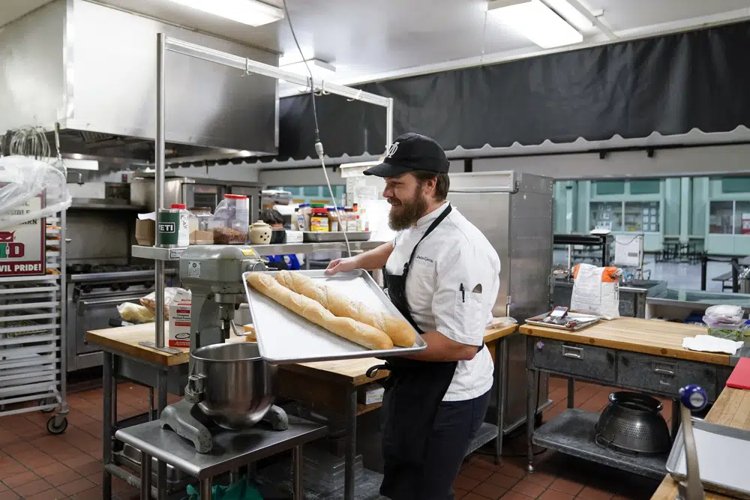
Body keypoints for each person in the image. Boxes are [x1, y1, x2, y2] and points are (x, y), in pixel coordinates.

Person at [326, 132, 501, 500]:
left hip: (449, 394)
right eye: (387, 184)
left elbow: (460, 345)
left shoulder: (462, 248)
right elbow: (396, 249)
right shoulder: (417, 224)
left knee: (426, 491)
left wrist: (374, 344)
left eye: (396, 184)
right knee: (403, 480)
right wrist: (354, 262)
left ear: (430, 184)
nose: (386, 193)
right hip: (412, 378)